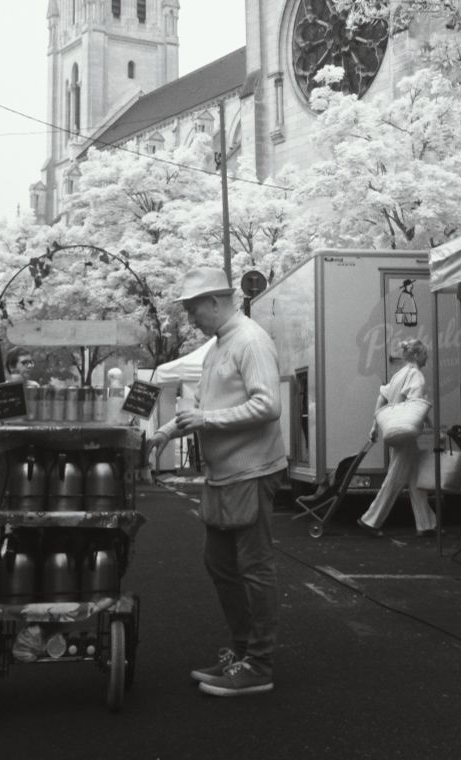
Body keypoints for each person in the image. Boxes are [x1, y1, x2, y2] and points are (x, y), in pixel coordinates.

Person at [146, 267, 287, 698]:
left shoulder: (249, 339)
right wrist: (167, 432)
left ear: (215, 301)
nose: (190, 318)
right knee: (223, 565)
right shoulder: (220, 345)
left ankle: (258, 664)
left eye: (192, 309)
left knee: (253, 568)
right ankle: (244, 655)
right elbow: (206, 407)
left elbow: (269, 405)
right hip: (226, 474)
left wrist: (205, 419)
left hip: (251, 469)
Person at [357, 338, 437, 538]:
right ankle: (370, 520)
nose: (427, 357)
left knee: (414, 478)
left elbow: (381, 396)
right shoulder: (416, 376)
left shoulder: (398, 374)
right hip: (408, 433)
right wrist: (432, 426)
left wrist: (375, 425)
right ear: (417, 355)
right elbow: (416, 405)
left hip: (395, 430)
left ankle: (426, 524)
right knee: (395, 479)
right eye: (425, 353)